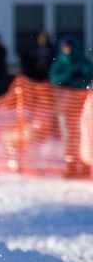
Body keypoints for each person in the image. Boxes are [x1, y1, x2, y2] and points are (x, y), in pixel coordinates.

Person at [49, 36, 92, 177]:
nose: (67, 49)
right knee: (68, 137)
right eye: (65, 46)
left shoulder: (83, 62)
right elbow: (56, 80)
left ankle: (85, 164)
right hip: (64, 107)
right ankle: (71, 166)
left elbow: (87, 78)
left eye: (69, 46)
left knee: (83, 135)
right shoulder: (59, 62)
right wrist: (71, 72)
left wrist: (74, 79)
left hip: (81, 107)